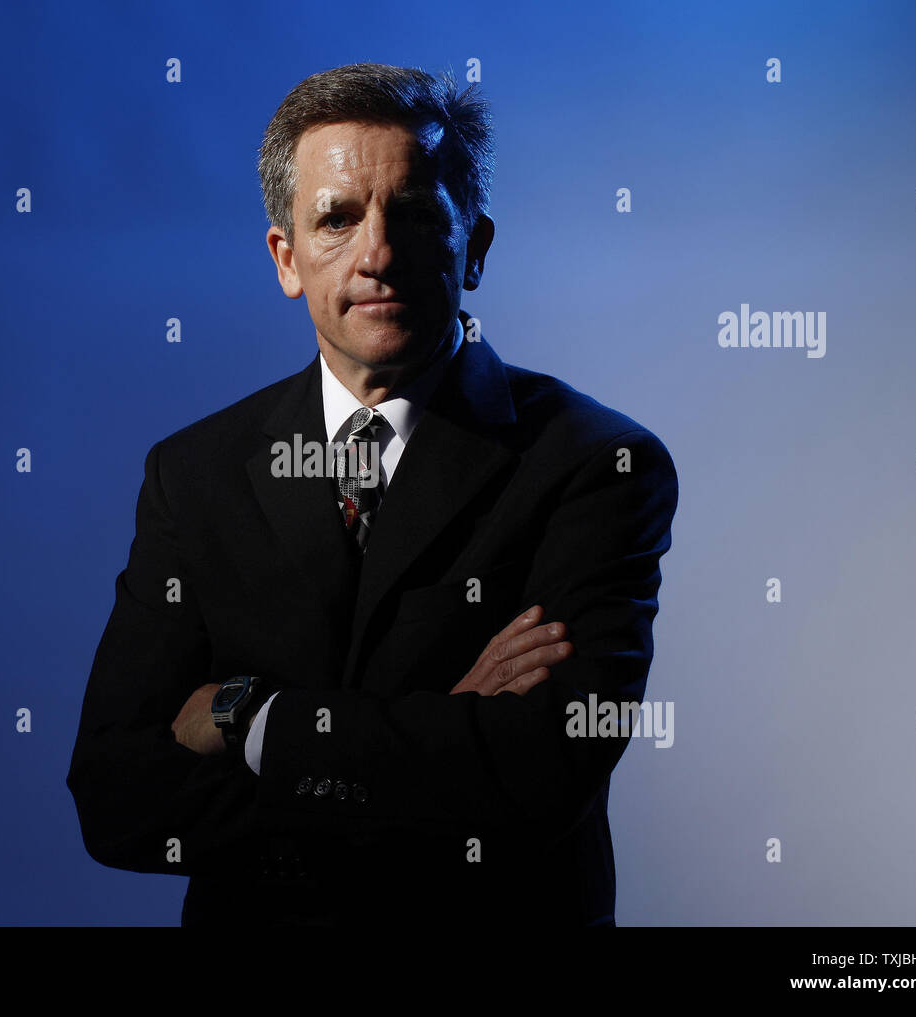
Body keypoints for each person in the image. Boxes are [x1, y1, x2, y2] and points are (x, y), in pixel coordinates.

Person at [66, 62, 678, 927]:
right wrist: (432, 744)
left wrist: (252, 720)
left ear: (475, 247)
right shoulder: (193, 473)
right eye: (337, 219)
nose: (377, 254)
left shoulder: (598, 464)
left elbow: (540, 774)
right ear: (286, 258)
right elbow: (116, 795)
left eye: (417, 216)